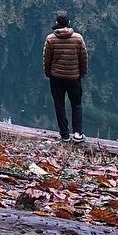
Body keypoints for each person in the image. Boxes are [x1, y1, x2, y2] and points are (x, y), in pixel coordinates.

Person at [43, 11, 88, 142]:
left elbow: (47, 60)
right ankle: (78, 134)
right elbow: (84, 59)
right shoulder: (78, 38)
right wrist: (81, 74)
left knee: (59, 105)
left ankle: (64, 134)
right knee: (77, 105)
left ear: (56, 24)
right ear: (68, 24)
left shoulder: (50, 39)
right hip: (74, 78)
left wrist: (48, 73)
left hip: (56, 78)